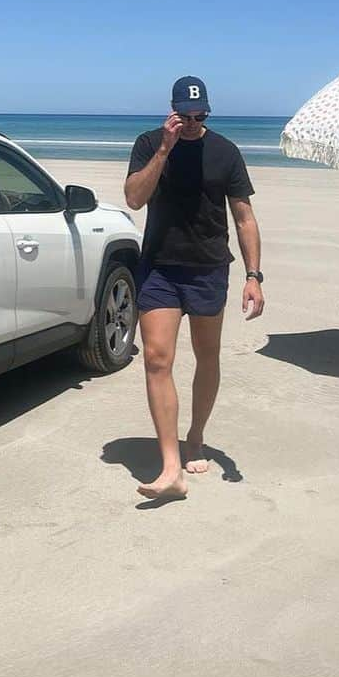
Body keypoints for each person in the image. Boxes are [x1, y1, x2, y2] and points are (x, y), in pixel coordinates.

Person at [124, 75, 264, 500]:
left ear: (207, 112)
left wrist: (254, 276)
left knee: (207, 356)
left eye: (198, 116)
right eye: (183, 116)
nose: (190, 122)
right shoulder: (150, 144)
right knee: (156, 358)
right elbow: (133, 198)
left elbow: (244, 217)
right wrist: (165, 151)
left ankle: (196, 436)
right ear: (171, 111)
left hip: (207, 268)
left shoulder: (225, 152)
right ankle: (171, 466)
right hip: (160, 268)